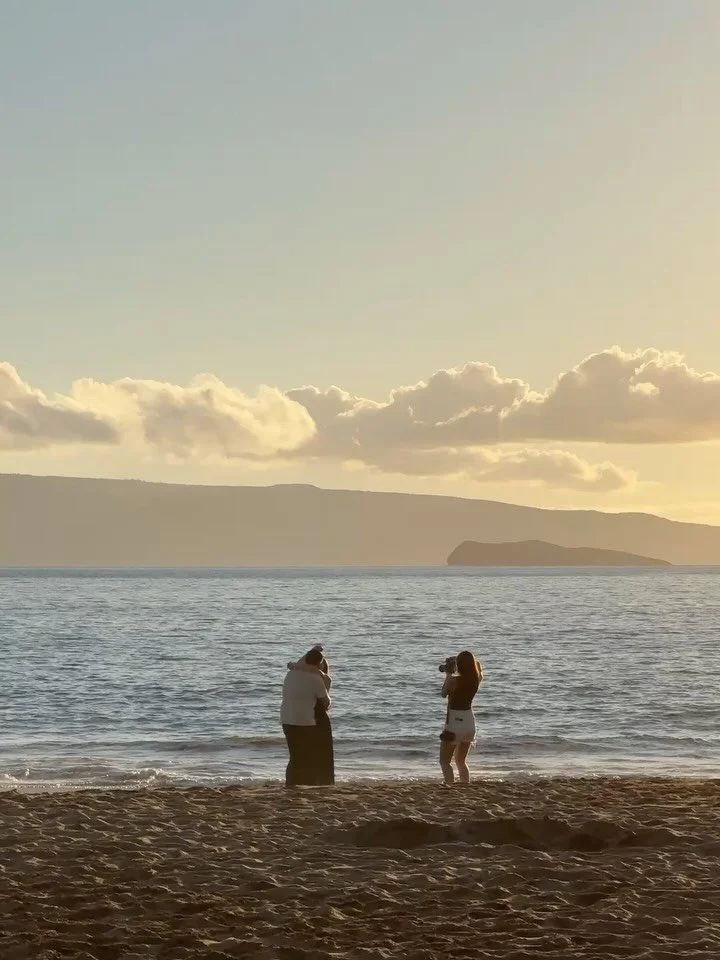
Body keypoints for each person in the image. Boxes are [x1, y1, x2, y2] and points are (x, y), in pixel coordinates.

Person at [280, 646, 333, 787]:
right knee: (307, 756)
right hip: (305, 722)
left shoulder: (291, 674)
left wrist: (312, 651)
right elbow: (326, 703)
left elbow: (301, 663)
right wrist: (327, 684)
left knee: (295, 756)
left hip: (286, 720)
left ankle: (291, 783)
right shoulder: (316, 679)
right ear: (319, 663)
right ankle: (306, 783)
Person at [439, 651, 483, 785]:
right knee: (461, 761)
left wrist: (448, 673)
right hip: (469, 723)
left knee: (445, 761)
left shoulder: (454, 681)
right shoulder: (476, 680)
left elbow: (443, 693)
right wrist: (469, 662)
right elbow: (478, 669)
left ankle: (449, 785)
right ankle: (465, 785)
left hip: (454, 724)